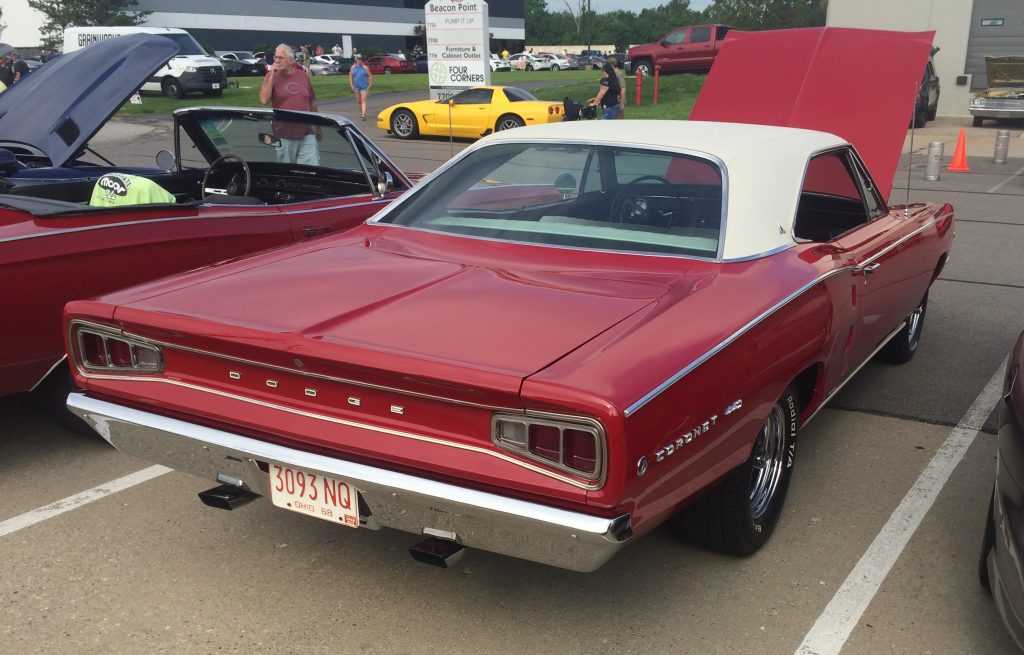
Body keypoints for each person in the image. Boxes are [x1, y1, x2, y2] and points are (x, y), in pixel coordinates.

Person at [259, 44, 321, 165]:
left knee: (311, 171)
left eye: (280, 58)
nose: (276, 60)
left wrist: (318, 127)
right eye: (275, 57)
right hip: (283, 133)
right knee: (289, 172)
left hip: (306, 132)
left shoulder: (302, 75)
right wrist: (272, 75)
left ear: (291, 60)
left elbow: (312, 102)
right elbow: (264, 100)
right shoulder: (270, 77)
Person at [349, 53, 372, 121]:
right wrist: (351, 85)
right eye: (358, 59)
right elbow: (350, 76)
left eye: (360, 59)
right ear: (356, 60)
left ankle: (363, 114)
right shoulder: (353, 67)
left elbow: (369, 75)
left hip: (364, 87)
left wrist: (370, 84)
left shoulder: (365, 67)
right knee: (359, 101)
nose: (359, 61)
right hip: (356, 87)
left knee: (363, 100)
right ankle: (362, 112)